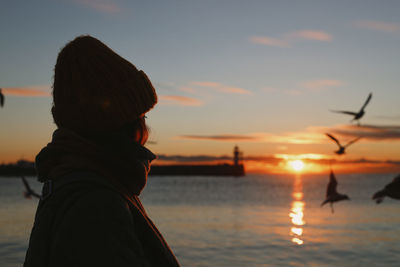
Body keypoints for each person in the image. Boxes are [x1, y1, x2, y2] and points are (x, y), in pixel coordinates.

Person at [24, 35, 180, 267]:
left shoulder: (75, 184)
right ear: (121, 125)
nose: (147, 131)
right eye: (141, 117)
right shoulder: (96, 206)